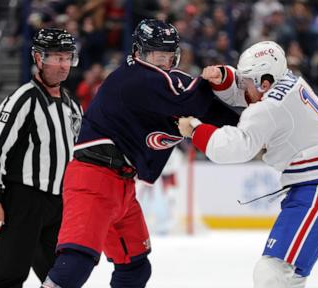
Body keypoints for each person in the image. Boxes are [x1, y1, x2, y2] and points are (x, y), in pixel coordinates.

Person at [41, 19, 239, 288]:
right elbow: (191, 100)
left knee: (135, 268)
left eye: (170, 56)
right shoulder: (134, 77)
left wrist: (250, 123)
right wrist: (211, 79)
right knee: (75, 265)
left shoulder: (167, 81)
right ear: (138, 53)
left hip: (122, 184)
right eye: (158, 56)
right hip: (93, 180)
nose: (165, 63)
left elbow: (211, 110)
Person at [178, 41, 318, 288]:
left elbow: (236, 147)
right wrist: (224, 78)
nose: (242, 86)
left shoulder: (269, 107)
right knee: (288, 277)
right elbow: (249, 95)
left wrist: (195, 129)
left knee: (273, 273)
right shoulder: (288, 82)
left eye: (246, 80)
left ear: (265, 81)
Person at [0, 28, 82, 288]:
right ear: (38, 58)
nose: (63, 65)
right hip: (23, 201)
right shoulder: (23, 99)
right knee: (9, 274)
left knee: (61, 277)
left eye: (67, 58)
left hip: (59, 203)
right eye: (57, 57)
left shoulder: (72, 105)